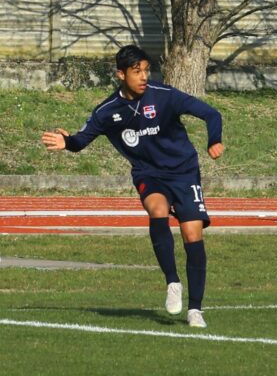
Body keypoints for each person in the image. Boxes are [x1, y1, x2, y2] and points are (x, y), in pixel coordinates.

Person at [41, 45, 224, 328]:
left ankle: (195, 309)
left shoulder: (165, 96)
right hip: (148, 173)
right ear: (120, 74)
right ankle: (172, 281)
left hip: (183, 171)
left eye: (146, 70)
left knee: (191, 234)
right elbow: (81, 140)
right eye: (136, 71)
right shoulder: (106, 111)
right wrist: (68, 143)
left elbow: (211, 114)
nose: (143, 76)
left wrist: (214, 140)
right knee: (157, 209)